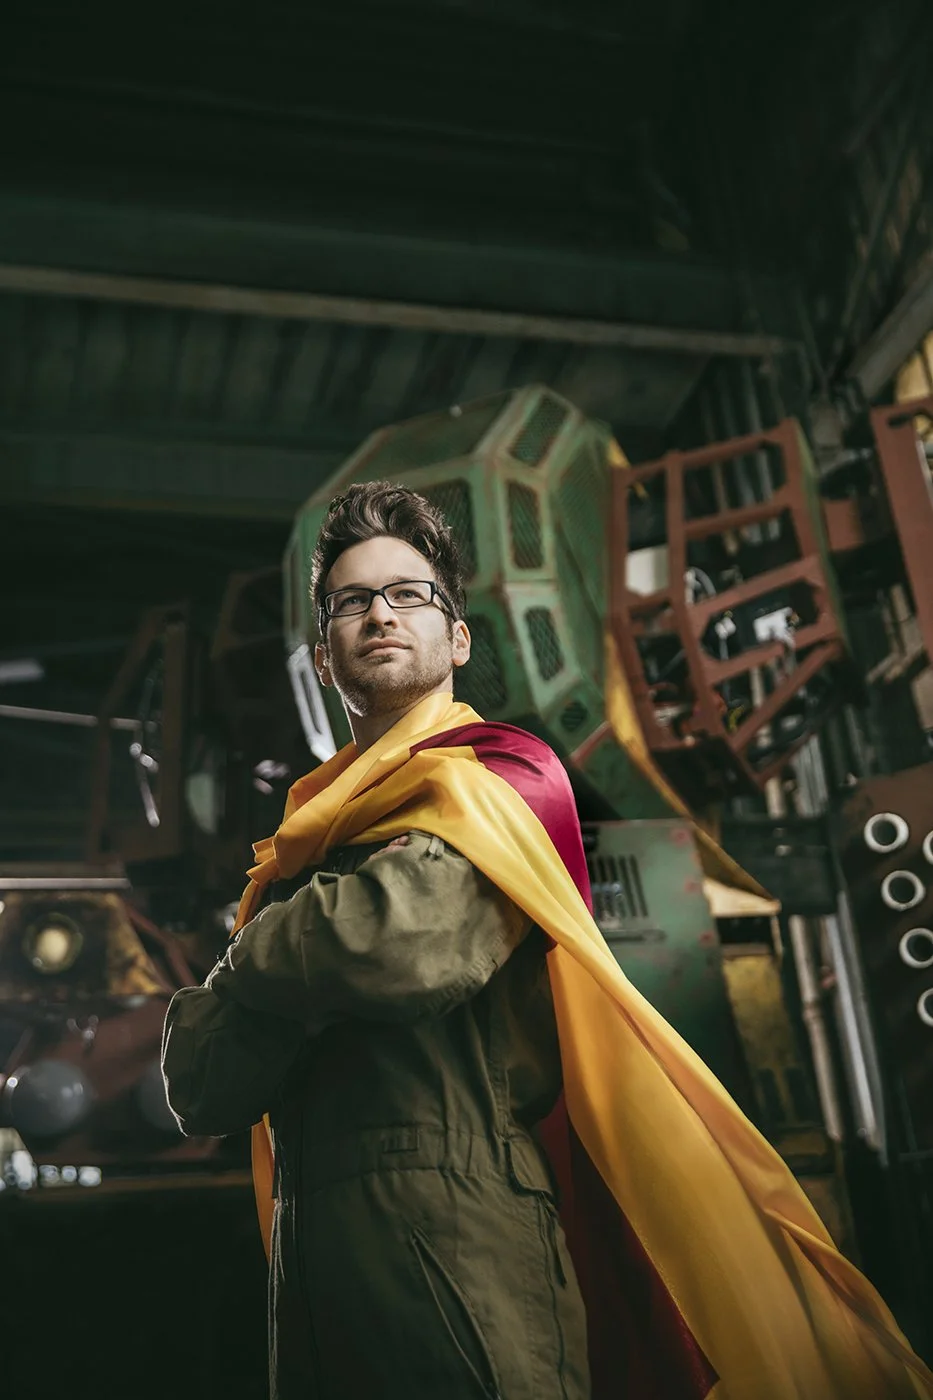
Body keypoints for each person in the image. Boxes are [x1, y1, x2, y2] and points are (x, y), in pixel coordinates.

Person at [163, 482, 933, 1400]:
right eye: (351, 601)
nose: (379, 613)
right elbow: (203, 1082)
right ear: (324, 656)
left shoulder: (498, 783)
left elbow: (397, 947)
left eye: (408, 593)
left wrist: (249, 958)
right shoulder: (306, 841)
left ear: (458, 639)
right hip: (310, 1259)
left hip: (455, 1231)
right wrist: (301, 947)